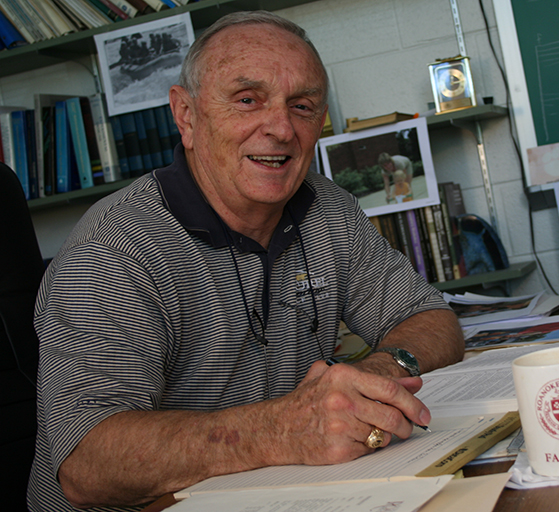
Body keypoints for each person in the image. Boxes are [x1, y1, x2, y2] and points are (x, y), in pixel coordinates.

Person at [28, 12, 464, 512]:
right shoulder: (113, 249)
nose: (280, 129)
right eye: (247, 100)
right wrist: (283, 428)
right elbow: (86, 463)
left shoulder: (326, 207)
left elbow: (432, 320)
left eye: (301, 106)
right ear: (187, 116)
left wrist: (383, 371)